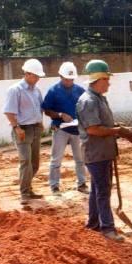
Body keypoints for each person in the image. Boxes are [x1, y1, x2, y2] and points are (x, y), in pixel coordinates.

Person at [76, 59, 132, 241]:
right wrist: (119, 131)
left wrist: (122, 129)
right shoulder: (89, 101)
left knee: (97, 190)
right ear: (99, 79)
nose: (109, 83)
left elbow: (104, 125)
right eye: (107, 79)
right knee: (103, 191)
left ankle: (93, 224)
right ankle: (107, 228)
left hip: (103, 152)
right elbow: (93, 129)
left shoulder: (98, 99)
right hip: (96, 153)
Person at [3, 59, 45, 205]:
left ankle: (28, 187)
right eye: (36, 76)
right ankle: (24, 193)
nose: (38, 79)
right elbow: (9, 112)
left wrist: (40, 123)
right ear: (27, 74)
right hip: (22, 129)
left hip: (35, 128)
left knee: (35, 163)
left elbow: (39, 108)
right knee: (25, 161)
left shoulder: (36, 91)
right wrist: (17, 128)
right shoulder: (15, 90)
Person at [42, 62, 88, 195]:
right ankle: (54, 186)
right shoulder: (53, 91)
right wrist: (60, 115)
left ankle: (82, 184)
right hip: (60, 129)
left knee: (80, 159)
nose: (69, 82)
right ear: (60, 76)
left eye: (71, 79)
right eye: (66, 79)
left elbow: (86, 107)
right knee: (56, 159)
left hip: (77, 129)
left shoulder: (80, 91)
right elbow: (46, 110)